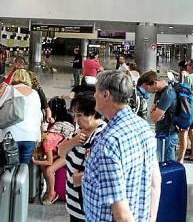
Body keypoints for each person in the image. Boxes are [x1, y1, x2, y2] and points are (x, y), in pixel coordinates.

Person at [82, 70, 161, 222]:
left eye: (96, 91)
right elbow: (155, 181)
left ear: (106, 95)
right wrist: (151, 218)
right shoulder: (143, 126)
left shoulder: (109, 142)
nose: (93, 96)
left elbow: (121, 214)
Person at [58, 92, 107, 222]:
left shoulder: (101, 136)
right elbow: (60, 152)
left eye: (79, 115)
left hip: (88, 208)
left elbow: (105, 172)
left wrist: (82, 177)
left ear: (92, 113)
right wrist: (74, 141)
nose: (75, 120)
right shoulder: (79, 131)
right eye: (74, 115)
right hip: (73, 204)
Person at [0, 69, 43, 163]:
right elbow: (39, 116)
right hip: (30, 137)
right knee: (23, 169)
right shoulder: (35, 94)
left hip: (10, 136)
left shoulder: (8, 90)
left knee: (7, 168)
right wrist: (38, 138)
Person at [138, 71, 179, 161]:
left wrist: (154, 112)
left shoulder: (168, 94)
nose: (147, 91)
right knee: (161, 161)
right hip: (161, 132)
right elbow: (153, 114)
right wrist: (155, 112)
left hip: (168, 134)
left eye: (146, 88)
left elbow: (154, 118)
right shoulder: (159, 92)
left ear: (155, 83)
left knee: (168, 165)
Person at [32, 120, 75, 205]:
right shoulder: (46, 137)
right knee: (43, 167)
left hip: (69, 152)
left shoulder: (46, 142)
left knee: (49, 170)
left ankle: (52, 193)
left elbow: (49, 162)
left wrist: (35, 161)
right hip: (61, 150)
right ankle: (48, 189)